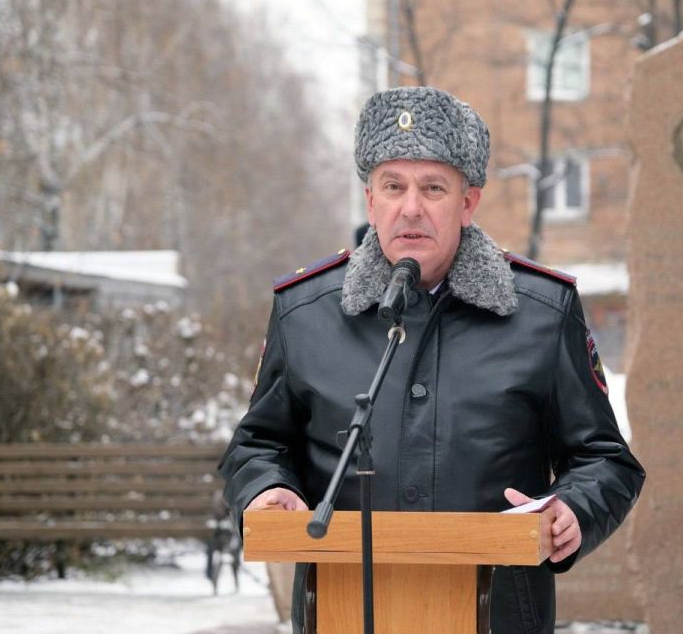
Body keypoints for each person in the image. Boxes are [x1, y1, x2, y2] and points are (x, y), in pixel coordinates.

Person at [218, 86, 644, 634]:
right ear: (370, 201)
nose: (410, 207)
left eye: (433, 187)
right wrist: (266, 487)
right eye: (392, 186)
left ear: (468, 202)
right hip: (342, 612)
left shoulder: (542, 313)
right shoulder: (306, 313)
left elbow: (605, 458)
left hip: (499, 613)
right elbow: (257, 445)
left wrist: (574, 509)